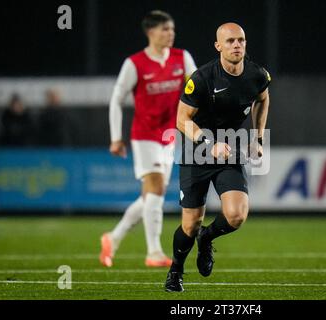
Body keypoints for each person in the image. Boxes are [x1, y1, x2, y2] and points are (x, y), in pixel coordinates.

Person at [164, 23, 271, 292]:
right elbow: (181, 120)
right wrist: (208, 142)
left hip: (230, 148)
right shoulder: (201, 78)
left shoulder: (257, 75)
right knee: (189, 224)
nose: (237, 45)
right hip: (197, 149)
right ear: (218, 46)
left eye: (242, 40)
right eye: (231, 41)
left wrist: (258, 138)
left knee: (236, 216)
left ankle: (207, 238)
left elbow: (263, 98)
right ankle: (176, 270)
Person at [100, 10, 197, 268]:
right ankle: (153, 252)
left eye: (172, 29)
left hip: (169, 136)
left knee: (151, 196)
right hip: (144, 136)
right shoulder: (135, 64)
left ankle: (113, 237)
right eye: (165, 29)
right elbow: (116, 100)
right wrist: (115, 137)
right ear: (150, 32)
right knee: (154, 188)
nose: (171, 34)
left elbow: (197, 90)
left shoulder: (182, 58)